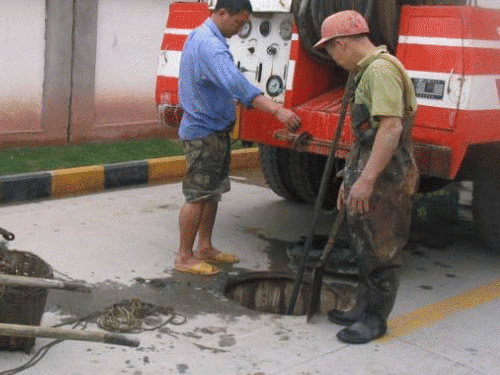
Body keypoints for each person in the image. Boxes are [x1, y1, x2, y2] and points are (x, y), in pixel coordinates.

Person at [313, 10, 419, 343]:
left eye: (330, 51)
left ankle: (375, 320)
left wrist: (368, 180)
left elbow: (390, 128)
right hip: (372, 169)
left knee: (381, 252)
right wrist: (351, 179)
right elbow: (365, 136)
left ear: (341, 44)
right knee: (363, 246)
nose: (333, 58)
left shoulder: (381, 71)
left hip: (387, 178)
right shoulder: (367, 71)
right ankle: (363, 307)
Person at [175, 0, 301, 276]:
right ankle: (184, 256)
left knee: (212, 192)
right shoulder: (210, 45)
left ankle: (205, 247)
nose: (242, 28)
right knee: (198, 195)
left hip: (214, 130)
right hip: (203, 132)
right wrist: (277, 110)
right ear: (221, 13)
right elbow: (235, 83)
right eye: (239, 22)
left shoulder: (207, 37)